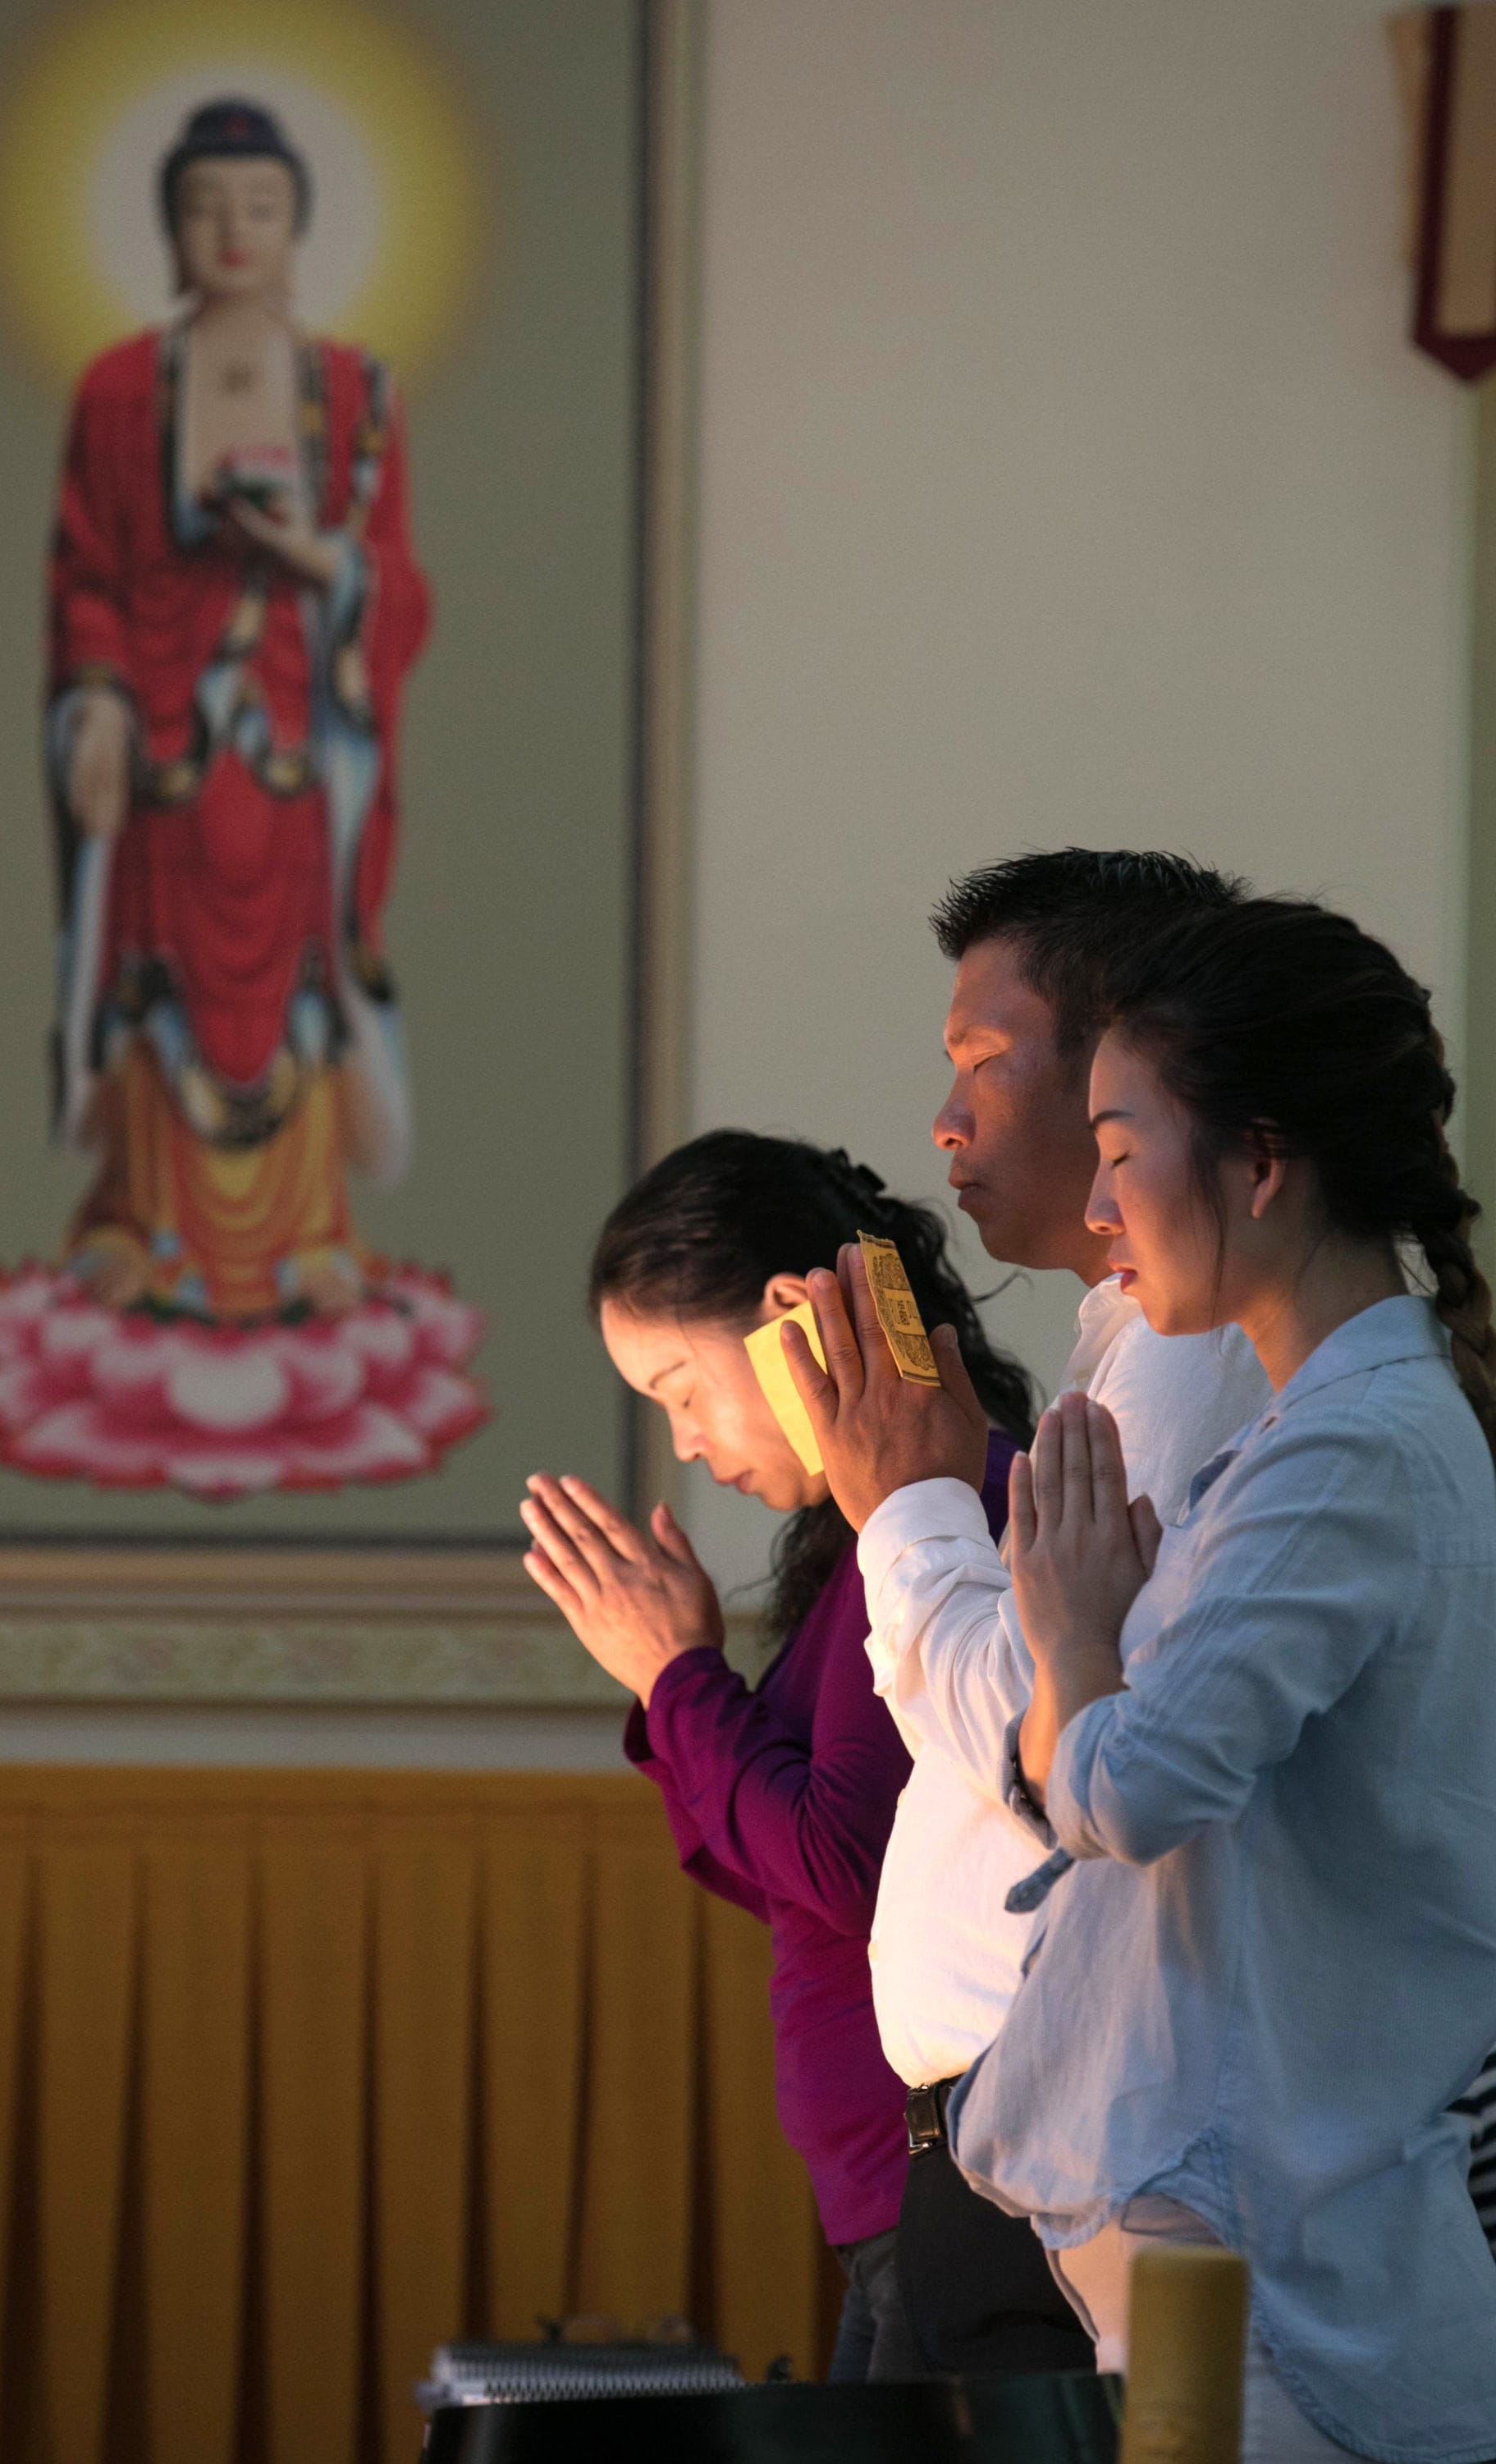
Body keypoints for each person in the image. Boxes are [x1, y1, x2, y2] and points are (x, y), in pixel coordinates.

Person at [940, 899, 1496, 2458]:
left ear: (1259, 1165)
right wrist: (1080, 1648)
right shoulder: (1321, 1425)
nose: (1101, 1203)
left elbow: (1129, 1786)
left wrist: (1066, 1627)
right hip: (1235, 2252)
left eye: (1121, 1147)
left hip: (1280, 2280)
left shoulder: (1348, 1448)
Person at [781, 850, 1273, 2374]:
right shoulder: (1127, 1334)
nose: (946, 1123)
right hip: (1011, 2132)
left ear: (1135, 1074)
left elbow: (1062, 1760)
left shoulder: (1199, 1362)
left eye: (992, 1064)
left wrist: (910, 1505)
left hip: (1107, 2148)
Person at [517, 1130, 1035, 2380]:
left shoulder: (928, 1523)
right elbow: (784, 1881)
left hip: (960, 2182)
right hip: (890, 2197)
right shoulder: (861, 1539)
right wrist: (677, 1687)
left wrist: (679, 1677)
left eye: (682, 1392)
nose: (687, 1444)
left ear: (783, 1322)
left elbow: (843, 1863)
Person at [48, 98, 429, 1320]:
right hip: (164, 741)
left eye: (258, 207)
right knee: (155, 970)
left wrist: (316, 560)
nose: (231, 230)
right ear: (170, 220)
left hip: (294, 746)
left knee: (296, 973)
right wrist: (98, 700)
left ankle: (308, 1231)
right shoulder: (118, 388)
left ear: (296, 225)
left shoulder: (353, 392)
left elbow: (395, 573)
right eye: (206, 205)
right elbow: (87, 571)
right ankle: (141, 1226)